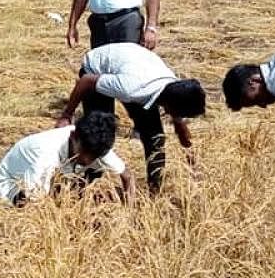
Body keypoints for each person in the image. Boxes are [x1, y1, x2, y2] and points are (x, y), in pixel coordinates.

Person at [56, 42, 206, 194]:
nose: (178, 116)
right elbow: (86, 81)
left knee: (155, 138)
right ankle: (83, 187)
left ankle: (154, 190)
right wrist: (67, 114)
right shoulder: (132, 89)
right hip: (96, 66)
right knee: (99, 137)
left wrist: (191, 158)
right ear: (170, 104)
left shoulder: (172, 86)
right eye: (180, 113)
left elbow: (180, 125)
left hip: (130, 64)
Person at [0, 111, 136, 206]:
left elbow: (127, 177)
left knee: (102, 196)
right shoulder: (46, 154)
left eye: (94, 158)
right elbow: (34, 206)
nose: (87, 161)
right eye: (84, 154)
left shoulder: (96, 145)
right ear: (73, 137)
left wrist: (129, 215)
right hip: (11, 186)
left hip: (55, 180)